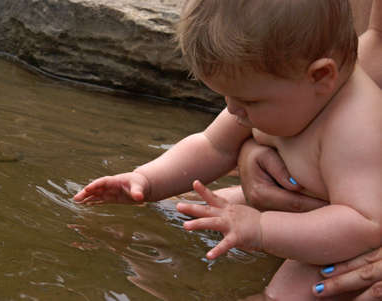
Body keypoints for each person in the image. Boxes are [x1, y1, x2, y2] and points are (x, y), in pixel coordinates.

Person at [74, 1, 381, 300]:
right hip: (306, 212)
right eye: (226, 96)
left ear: (321, 76)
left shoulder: (356, 130)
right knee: (187, 210)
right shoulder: (288, 92)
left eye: (249, 101)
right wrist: (145, 180)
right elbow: (213, 146)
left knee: (286, 292)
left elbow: (366, 224)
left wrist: (261, 229)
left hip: (350, 237)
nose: (233, 110)